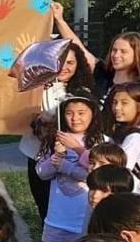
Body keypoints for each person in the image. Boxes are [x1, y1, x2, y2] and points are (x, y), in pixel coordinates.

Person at [18, 34, 95, 221]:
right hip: (37, 155)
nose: (65, 67)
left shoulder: (83, 93)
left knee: (69, 209)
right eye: (60, 61)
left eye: (70, 63)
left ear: (79, 65)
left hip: (70, 160)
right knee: (44, 208)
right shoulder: (35, 86)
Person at [33, 91, 104, 242]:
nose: (75, 118)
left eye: (81, 113)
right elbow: (41, 173)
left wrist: (66, 166)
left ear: (93, 114)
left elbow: (96, 174)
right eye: (69, 113)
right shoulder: (56, 139)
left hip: (83, 210)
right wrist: (54, 160)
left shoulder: (99, 141)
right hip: (59, 208)